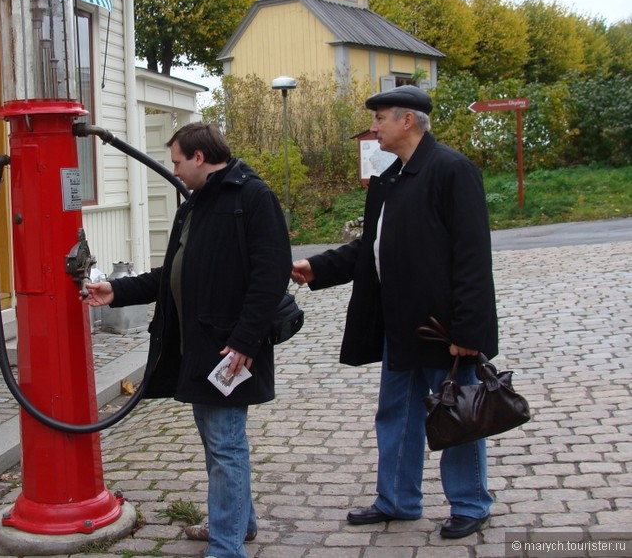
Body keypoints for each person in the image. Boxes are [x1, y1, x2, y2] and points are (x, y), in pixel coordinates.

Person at [291, 85, 498, 540]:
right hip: (397, 325)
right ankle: (398, 501)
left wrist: (469, 329)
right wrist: (318, 267)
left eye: (381, 118)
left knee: (457, 414)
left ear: (408, 121)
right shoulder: (391, 177)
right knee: (397, 415)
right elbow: (373, 247)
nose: (374, 127)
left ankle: (471, 502)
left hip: (444, 329)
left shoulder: (452, 170)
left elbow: (472, 257)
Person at [85, 122, 291, 558]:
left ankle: (226, 546)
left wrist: (245, 342)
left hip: (230, 350)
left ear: (199, 157)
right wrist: (117, 291)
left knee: (225, 445)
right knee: (220, 441)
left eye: (177, 161)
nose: (174, 170)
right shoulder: (197, 203)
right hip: (200, 347)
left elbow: (271, 276)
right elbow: (174, 272)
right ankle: (238, 523)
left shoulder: (253, 197)